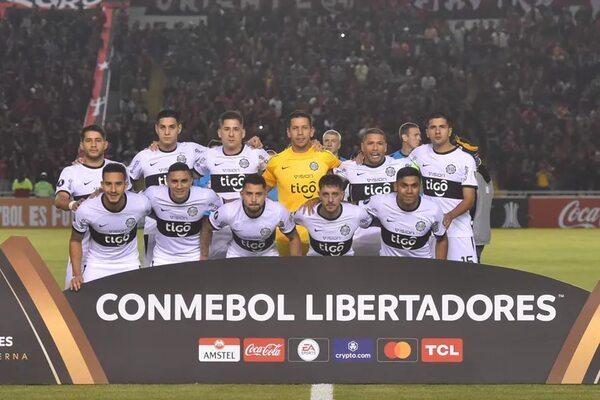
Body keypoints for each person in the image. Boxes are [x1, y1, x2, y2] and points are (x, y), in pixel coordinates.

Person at [127, 109, 207, 267]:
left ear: (179, 128)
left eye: (171, 127)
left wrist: (248, 146)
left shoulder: (191, 149)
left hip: (187, 221)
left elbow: (221, 153)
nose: (167, 132)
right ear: (156, 129)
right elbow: (125, 181)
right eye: (162, 127)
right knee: (151, 270)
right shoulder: (145, 156)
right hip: (154, 224)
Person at [55, 125, 129, 289]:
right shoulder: (71, 171)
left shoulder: (119, 169)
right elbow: (60, 199)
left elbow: (131, 199)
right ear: (82, 145)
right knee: (75, 297)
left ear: (105, 144)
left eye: (98, 140)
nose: (93, 145)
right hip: (82, 245)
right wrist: (74, 204)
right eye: (88, 141)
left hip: (114, 250)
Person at [262, 110, 341, 255]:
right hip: (287, 237)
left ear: (311, 131)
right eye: (295, 128)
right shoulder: (276, 162)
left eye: (304, 128)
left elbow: (347, 181)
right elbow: (259, 192)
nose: (300, 133)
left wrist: (361, 158)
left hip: (324, 235)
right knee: (290, 277)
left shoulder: (325, 157)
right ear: (288, 132)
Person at [193, 111, 270, 258]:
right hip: (219, 227)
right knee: (220, 273)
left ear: (243, 132)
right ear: (219, 132)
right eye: (227, 129)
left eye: (236, 129)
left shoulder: (256, 154)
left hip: (251, 224)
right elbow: (189, 176)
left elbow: (278, 171)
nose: (231, 134)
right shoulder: (209, 155)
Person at [69, 163, 151, 291]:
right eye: (108, 184)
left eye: (118, 184)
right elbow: (75, 240)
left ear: (126, 185)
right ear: (102, 185)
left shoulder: (141, 203)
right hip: (96, 265)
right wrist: (76, 274)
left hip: (129, 264)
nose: (113, 190)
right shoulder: (86, 209)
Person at [409, 112, 478, 262]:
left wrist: (450, 215)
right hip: (429, 231)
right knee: (432, 280)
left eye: (442, 127)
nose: (438, 131)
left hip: (458, 231)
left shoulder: (465, 159)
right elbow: (401, 174)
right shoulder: (419, 154)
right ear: (427, 133)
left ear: (450, 131)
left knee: (464, 280)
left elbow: (469, 199)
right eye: (433, 127)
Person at [333, 128, 414, 255]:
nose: (375, 148)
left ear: (386, 147)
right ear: (362, 147)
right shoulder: (348, 167)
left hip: (395, 238)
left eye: (380, 144)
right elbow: (328, 185)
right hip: (359, 239)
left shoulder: (400, 166)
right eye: (370, 144)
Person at [143, 163, 222, 266]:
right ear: (167, 181)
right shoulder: (153, 194)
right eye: (174, 181)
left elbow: (227, 206)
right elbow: (134, 204)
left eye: (184, 181)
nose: (179, 186)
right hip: (162, 259)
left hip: (193, 257)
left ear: (191, 181)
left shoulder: (206, 196)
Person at [363, 167, 448, 259]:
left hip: (421, 265)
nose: (409, 191)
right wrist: (373, 222)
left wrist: (440, 267)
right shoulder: (380, 202)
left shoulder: (433, 210)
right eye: (404, 185)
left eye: (414, 186)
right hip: (388, 265)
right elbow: (354, 210)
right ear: (396, 186)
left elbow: (442, 239)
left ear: (420, 187)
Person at [208, 174, 301, 257]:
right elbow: (207, 227)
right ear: (242, 194)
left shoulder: (279, 211)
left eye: (258, 194)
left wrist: (296, 267)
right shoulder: (228, 211)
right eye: (249, 194)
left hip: (268, 253)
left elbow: (293, 237)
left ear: (265, 194)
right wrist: (204, 256)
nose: (253, 199)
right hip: (237, 254)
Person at [294, 175, 372, 256]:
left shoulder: (357, 213)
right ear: (319, 195)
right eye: (325, 194)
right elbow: (287, 223)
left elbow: (377, 223)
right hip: (314, 265)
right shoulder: (305, 213)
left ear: (342, 195)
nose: (330, 200)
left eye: (335, 194)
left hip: (346, 266)